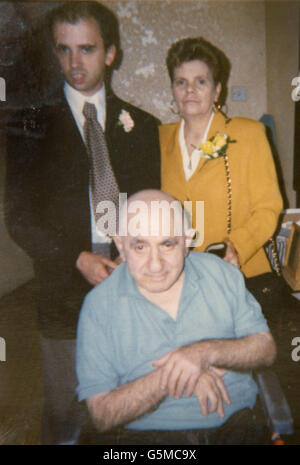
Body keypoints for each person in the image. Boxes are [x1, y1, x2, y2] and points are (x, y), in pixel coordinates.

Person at [5, 2, 160, 445]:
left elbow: (151, 208)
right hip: (62, 292)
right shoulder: (27, 126)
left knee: (128, 411)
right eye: (65, 50)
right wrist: (78, 257)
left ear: (110, 53)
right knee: (66, 414)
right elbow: (19, 217)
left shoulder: (143, 126)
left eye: (87, 49)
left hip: (131, 288)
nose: (75, 62)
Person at [76, 189, 276, 445]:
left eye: (167, 244)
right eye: (140, 247)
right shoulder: (98, 305)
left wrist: (203, 353)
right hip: (141, 440)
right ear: (120, 246)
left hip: (233, 428)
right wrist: (173, 376)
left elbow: (265, 348)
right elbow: (102, 415)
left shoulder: (223, 276)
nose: (156, 265)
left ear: (187, 241)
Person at [159, 37, 283, 280]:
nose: (189, 90)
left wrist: (236, 246)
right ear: (173, 89)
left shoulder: (248, 134)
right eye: (181, 82)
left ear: (217, 90)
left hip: (239, 274)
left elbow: (268, 208)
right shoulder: (158, 139)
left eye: (200, 81)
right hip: (178, 280)